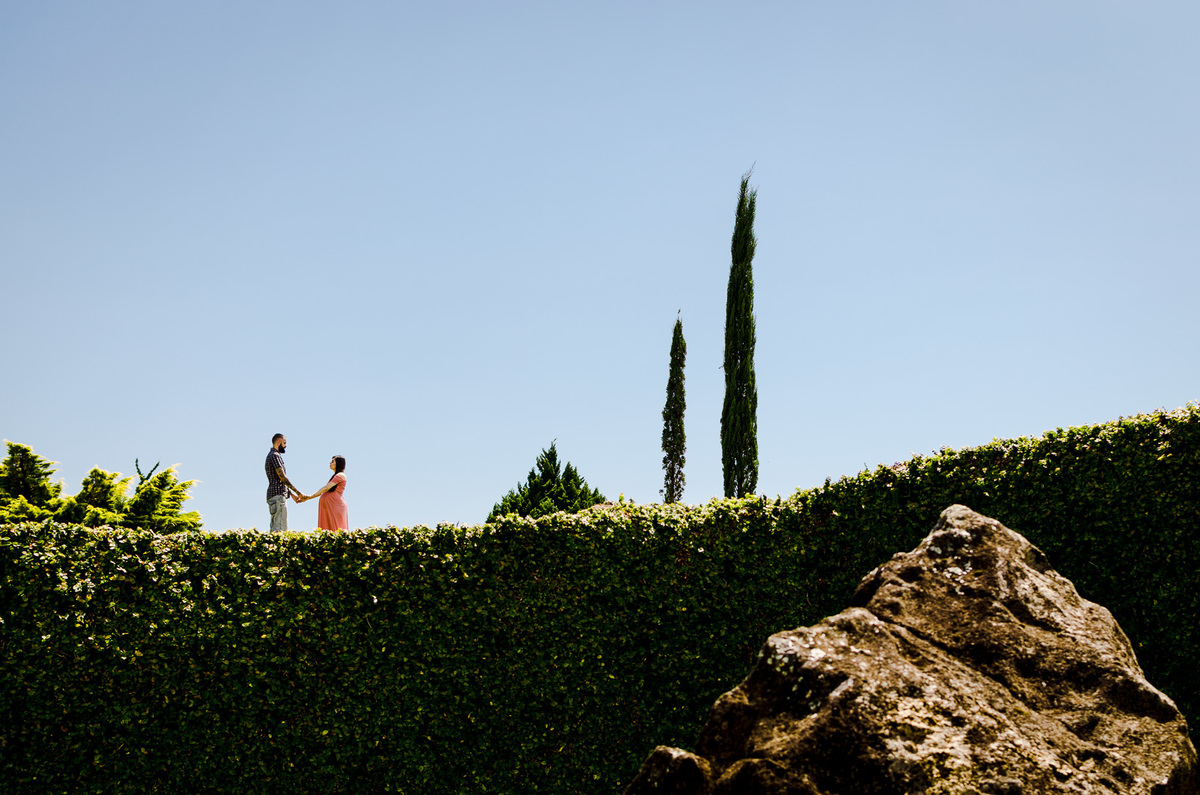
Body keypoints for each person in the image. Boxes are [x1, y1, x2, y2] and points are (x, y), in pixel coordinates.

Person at [297, 455, 349, 532]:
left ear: (338, 463)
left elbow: (326, 488)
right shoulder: (336, 476)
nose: (330, 463)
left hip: (335, 505)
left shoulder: (340, 475)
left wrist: (309, 497)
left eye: (332, 461)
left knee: (335, 529)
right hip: (330, 505)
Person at [265, 433, 302, 532]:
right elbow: (282, 477)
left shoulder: (271, 455)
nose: (285, 445)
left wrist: (292, 494)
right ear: (278, 442)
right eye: (284, 443)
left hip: (273, 495)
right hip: (278, 496)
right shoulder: (275, 456)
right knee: (280, 530)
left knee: (275, 527)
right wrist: (298, 492)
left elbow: (279, 479)